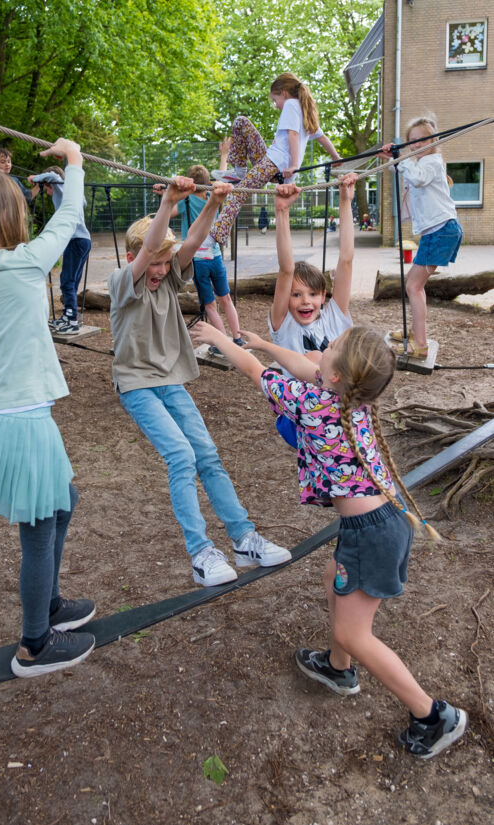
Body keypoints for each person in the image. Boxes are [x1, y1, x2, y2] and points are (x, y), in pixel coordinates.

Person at [189, 321, 468, 760]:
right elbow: (307, 366)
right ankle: (338, 669)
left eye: (333, 345)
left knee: (354, 634)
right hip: (381, 522)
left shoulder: (314, 402)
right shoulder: (353, 396)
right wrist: (266, 343)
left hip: (370, 533)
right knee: (330, 577)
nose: (324, 347)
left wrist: (219, 339)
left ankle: (432, 715)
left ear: (336, 374)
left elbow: (253, 370)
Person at [0, 99, 96, 678]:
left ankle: (49, 604)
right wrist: (74, 160)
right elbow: (69, 214)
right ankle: (35, 642)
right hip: (23, 419)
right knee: (41, 525)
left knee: (63, 503)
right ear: (8, 216)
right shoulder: (25, 264)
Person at [107, 175, 292, 587]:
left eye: (164, 263)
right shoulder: (123, 283)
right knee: (181, 456)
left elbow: (191, 242)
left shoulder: (168, 276)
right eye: (153, 262)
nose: (160, 270)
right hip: (137, 385)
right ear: (133, 257)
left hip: (169, 380)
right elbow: (149, 250)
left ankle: (243, 539)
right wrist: (168, 204)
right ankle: (201, 553)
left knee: (207, 455)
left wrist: (213, 202)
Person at [270, 174, 358, 447]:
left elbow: (346, 260)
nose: (305, 302)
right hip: (300, 417)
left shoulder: (334, 317)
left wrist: (345, 201)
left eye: (312, 294)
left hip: (338, 413)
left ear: (323, 296)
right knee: (314, 357)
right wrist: (282, 211)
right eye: (296, 295)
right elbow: (286, 270)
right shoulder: (284, 325)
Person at [210, 72, 341, 246]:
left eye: (275, 100)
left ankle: (215, 238)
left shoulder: (291, 105)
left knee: (238, 193)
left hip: (275, 164)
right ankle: (239, 171)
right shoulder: (304, 110)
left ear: (284, 93)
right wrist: (336, 157)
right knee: (241, 122)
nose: (276, 105)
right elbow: (322, 138)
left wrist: (294, 165)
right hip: (271, 160)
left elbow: (293, 134)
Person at [379, 116, 463, 359]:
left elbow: (417, 178)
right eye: (412, 140)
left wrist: (401, 158)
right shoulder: (419, 162)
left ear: (434, 141)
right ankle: (417, 333)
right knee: (414, 284)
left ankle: (420, 343)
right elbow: (399, 168)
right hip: (438, 231)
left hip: (441, 231)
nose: (416, 144)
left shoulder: (432, 162)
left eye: (422, 140)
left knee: (413, 285)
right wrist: (391, 156)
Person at [153, 157, 244, 356]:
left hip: (197, 260)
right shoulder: (213, 196)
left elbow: (169, 212)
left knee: (210, 305)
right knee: (226, 299)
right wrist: (224, 156)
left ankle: (222, 344)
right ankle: (238, 338)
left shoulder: (186, 200)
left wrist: (165, 195)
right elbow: (221, 177)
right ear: (208, 183)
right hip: (215, 257)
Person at [28, 166, 92, 335]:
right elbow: (84, 203)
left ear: (50, 184)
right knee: (72, 282)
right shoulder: (73, 194)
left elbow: (52, 175)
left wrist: (35, 178)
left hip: (76, 240)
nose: (47, 192)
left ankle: (71, 320)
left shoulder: (60, 186)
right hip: (84, 240)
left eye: (46, 188)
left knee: (67, 281)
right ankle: (68, 315)